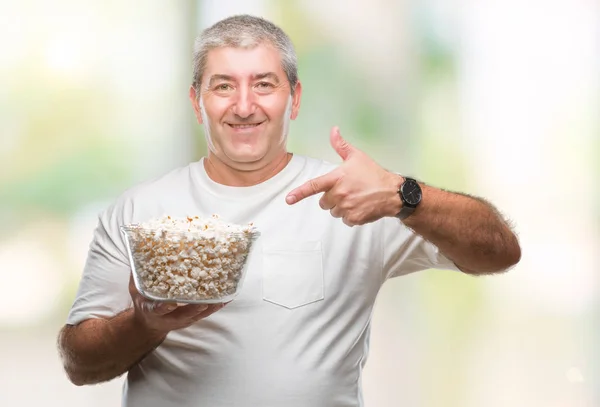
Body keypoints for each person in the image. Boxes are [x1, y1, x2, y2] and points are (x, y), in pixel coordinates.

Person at [57, 14, 521, 407]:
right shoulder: (140, 209)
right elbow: (79, 364)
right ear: (197, 101)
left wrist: (403, 194)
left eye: (264, 84)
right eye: (223, 86)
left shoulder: (356, 197)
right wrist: (145, 324)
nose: (244, 105)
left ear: (293, 99)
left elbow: (499, 252)